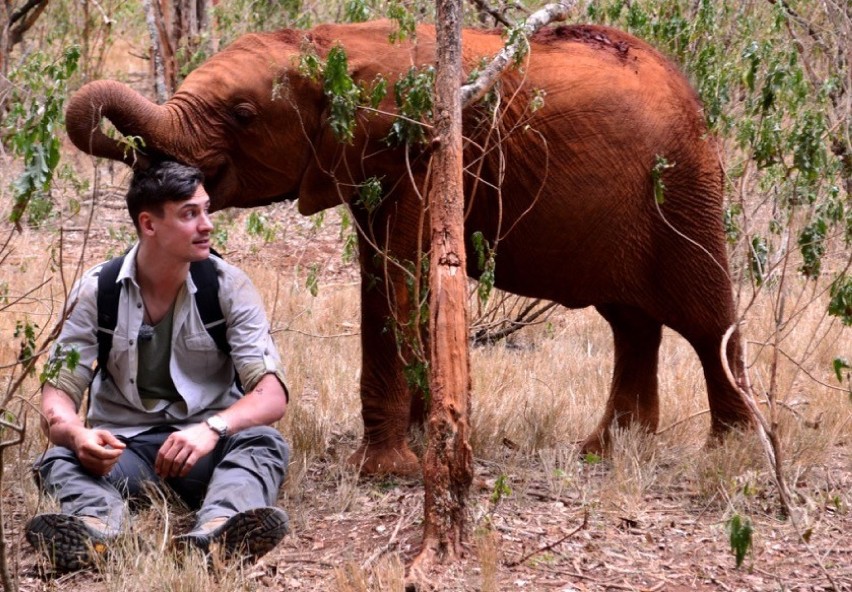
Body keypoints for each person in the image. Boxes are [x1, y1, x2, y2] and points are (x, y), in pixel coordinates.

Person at [26, 161, 290, 572]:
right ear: (148, 225)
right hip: (124, 452)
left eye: (206, 210)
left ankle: (219, 528)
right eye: (190, 214)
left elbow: (270, 395)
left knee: (263, 443)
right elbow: (57, 393)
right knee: (56, 461)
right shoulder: (97, 290)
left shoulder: (227, 286)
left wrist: (210, 430)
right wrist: (78, 436)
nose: (207, 225)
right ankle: (100, 530)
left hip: (208, 450)